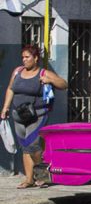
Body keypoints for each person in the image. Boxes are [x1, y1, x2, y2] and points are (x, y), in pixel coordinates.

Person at [0, 45, 67, 189]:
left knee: (33, 145)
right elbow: (11, 89)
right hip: (19, 115)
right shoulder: (17, 72)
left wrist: (50, 81)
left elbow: (63, 84)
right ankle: (29, 179)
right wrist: (5, 107)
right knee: (25, 146)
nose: (24, 60)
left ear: (35, 58)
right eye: (22, 57)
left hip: (38, 115)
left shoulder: (44, 73)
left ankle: (42, 174)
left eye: (27, 57)